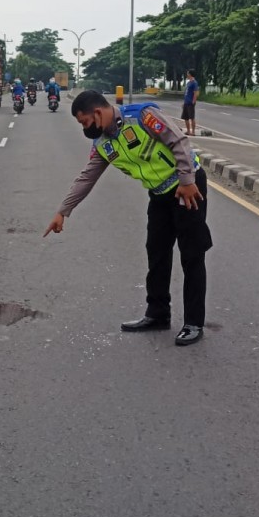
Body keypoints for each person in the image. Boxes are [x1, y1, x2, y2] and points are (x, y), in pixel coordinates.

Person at [44, 90, 212, 346]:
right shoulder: (103, 142)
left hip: (186, 188)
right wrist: (62, 211)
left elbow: (178, 141)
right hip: (159, 194)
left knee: (191, 254)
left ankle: (193, 322)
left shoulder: (142, 117)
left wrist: (187, 180)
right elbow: (87, 178)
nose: (84, 129)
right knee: (156, 252)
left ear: (98, 113)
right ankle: (157, 314)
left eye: (85, 122)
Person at [182, 69, 200, 136]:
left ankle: (193, 132)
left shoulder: (194, 83)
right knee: (185, 118)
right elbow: (186, 93)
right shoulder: (188, 83)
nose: (187, 75)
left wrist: (193, 101)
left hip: (190, 102)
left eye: (188, 73)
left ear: (190, 74)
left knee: (192, 118)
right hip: (186, 102)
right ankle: (188, 131)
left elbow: (195, 92)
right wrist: (184, 102)